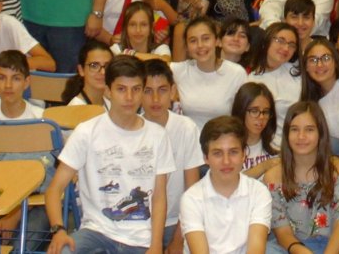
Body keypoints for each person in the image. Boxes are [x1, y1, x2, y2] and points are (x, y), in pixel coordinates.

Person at [46, 55, 175, 254]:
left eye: (136, 89)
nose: (129, 97)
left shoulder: (158, 136)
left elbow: (159, 197)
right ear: (108, 91)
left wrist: (156, 244)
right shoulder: (86, 131)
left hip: (140, 239)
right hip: (96, 232)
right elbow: (54, 189)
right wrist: (59, 230)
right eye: (121, 89)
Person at [263, 102, 339, 254]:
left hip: (335, 246)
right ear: (286, 134)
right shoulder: (273, 177)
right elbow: (283, 233)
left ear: (321, 133)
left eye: (309, 130)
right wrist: (299, 250)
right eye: (294, 130)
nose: (301, 136)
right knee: (266, 249)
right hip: (295, 248)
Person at [180, 116, 271, 254]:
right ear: (205, 157)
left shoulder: (259, 193)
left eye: (233, 152)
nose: (226, 161)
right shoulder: (191, 199)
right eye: (217, 153)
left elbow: (256, 251)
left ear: (244, 154)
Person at [140, 59, 205, 253]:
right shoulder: (131, 130)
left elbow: (192, 188)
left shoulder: (186, 128)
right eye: (147, 91)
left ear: (173, 91)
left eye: (162, 90)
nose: (155, 99)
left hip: (178, 221)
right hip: (140, 225)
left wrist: (178, 237)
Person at [172, 17, 247, 130]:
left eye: (206, 39)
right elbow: (147, 64)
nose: (200, 45)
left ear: (217, 40)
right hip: (188, 143)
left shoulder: (237, 73)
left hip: (223, 142)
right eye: (193, 41)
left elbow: (244, 117)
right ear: (187, 47)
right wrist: (134, 52)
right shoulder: (180, 70)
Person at [248, 24, 302, 137]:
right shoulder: (252, 81)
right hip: (270, 147)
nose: (286, 48)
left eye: (291, 45)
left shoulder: (297, 70)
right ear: (266, 41)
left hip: (299, 140)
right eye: (280, 41)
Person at [300, 38, 339, 153]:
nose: (320, 64)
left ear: (336, 61)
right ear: (306, 67)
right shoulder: (311, 106)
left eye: (326, 58)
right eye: (313, 60)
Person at [234, 82, 280, 172]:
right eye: (254, 111)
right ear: (241, 111)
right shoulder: (229, 146)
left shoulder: (277, 144)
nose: (261, 117)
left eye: (266, 112)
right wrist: (263, 167)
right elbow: (229, 182)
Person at [62, 40, 113, 107]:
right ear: (81, 70)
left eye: (107, 66)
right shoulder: (75, 108)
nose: (103, 72)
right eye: (94, 66)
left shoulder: (111, 102)